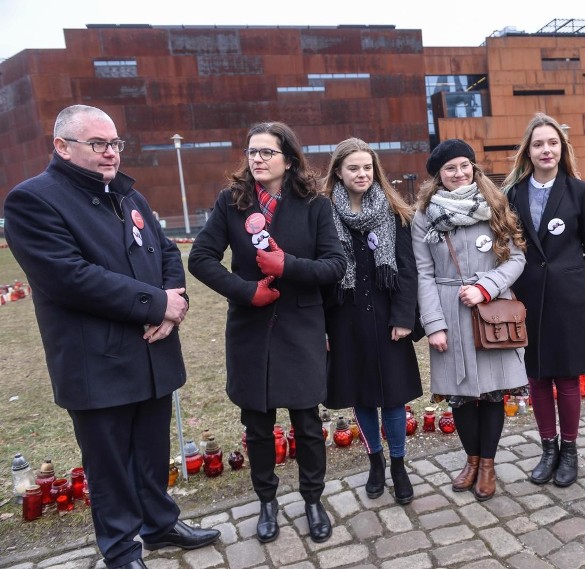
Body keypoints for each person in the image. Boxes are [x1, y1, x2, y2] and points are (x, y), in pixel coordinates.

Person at [3, 105, 220, 569]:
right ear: (61, 146)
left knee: (150, 451)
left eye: (115, 143)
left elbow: (164, 251)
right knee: (109, 465)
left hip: (154, 349)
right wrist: (157, 304)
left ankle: (159, 524)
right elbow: (70, 277)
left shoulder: (126, 195)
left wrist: (175, 302)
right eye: (97, 144)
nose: (110, 153)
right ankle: (121, 549)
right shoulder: (33, 201)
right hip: (97, 360)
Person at [188, 122, 345, 543]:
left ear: (288, 160)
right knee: (257, 426)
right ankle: (267, 502)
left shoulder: (315, 205)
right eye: (252, 152)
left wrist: (288, 266)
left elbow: (335, 266)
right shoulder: (231, 203)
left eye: (266, 153)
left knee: (307, 425)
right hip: (250, 329)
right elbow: (201, 259)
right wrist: (245, 292)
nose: (256, 159)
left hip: (301, 328)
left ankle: (313, 499)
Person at [411, 138, 528, 502]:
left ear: (473, 168)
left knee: (492, 394)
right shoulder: (424, 216)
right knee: (460, 397)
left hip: (490, 312)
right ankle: (472, 460)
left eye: (465, 166)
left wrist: (486, 288)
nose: (459, 174)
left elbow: (516, 258)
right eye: (450, 169)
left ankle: (488, 465)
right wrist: (434, 324)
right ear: (438, 176)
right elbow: (424, 274)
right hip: (449, 311)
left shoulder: (495, 205)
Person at [503, 113, 585, 487]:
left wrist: (573, 282)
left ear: (562, 149)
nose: (546, 149)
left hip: (568, 300)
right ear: (527, 152)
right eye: (538, 144)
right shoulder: (513, 194)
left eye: (552, 143)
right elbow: (508, 246)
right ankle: (548, 448)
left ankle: (570, 449)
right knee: (537, 377)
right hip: (527, 299)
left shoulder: (579, 191)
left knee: (566, 377)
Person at [320, 138, 423, 505]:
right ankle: (374, 463)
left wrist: (403, 318)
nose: (361, 174)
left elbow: (408, 272)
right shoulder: (323, 214)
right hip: (344, 322)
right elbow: (320, 276)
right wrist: (324, 329)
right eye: (353, 168)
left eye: (366, 167)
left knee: (393, 398)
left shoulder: (396, 213)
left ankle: (398, 465)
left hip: (387, 321)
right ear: (338, 172)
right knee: (361, 396)